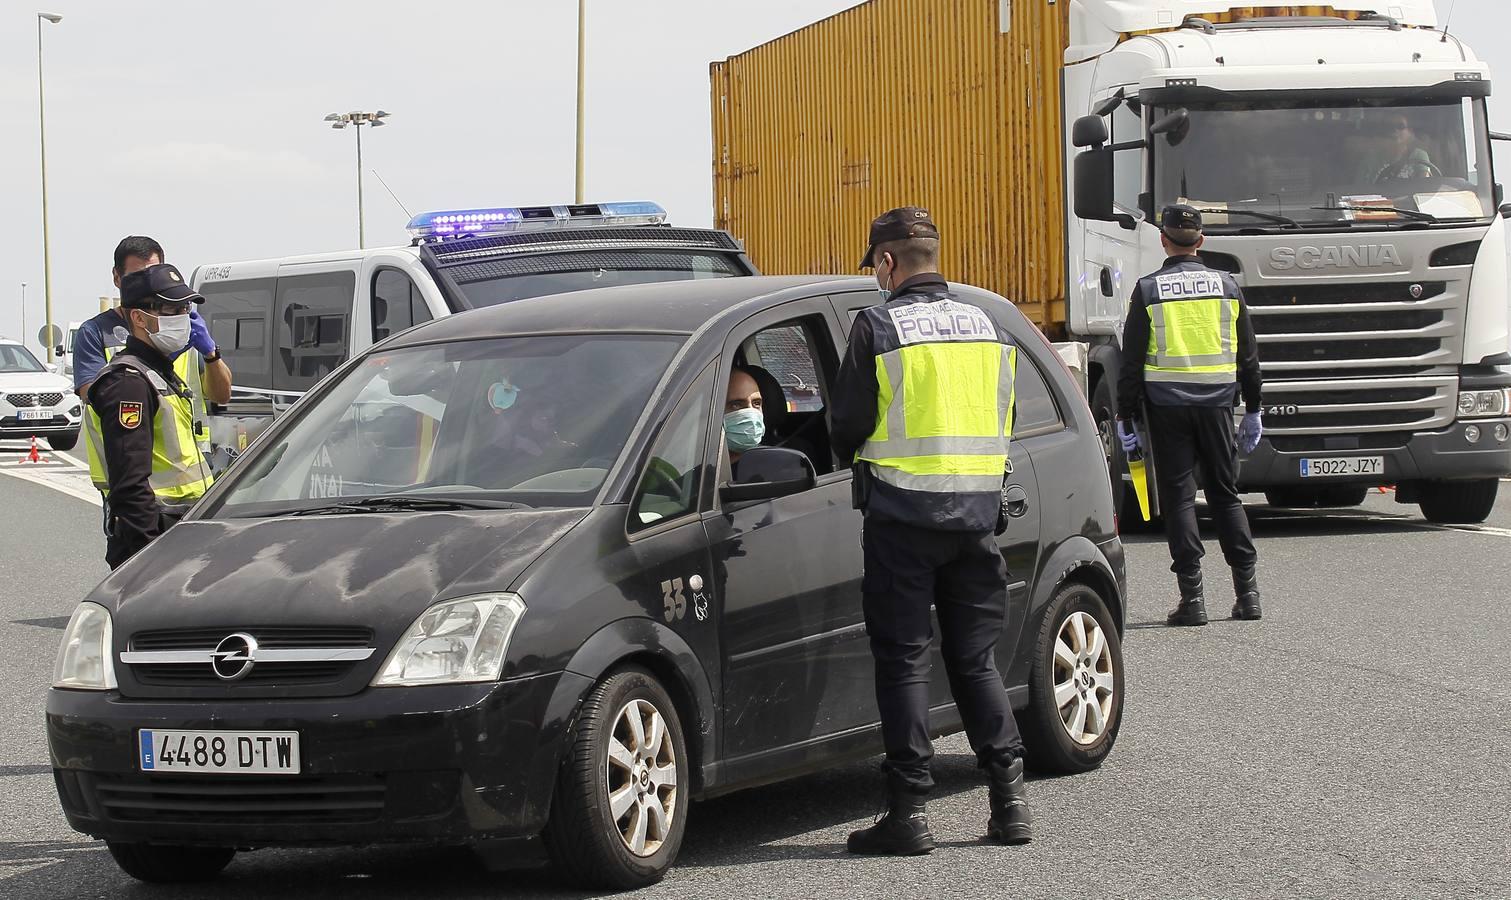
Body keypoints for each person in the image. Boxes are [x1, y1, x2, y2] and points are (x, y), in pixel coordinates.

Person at [830, 207, 1031, 855]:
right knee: (974, 661)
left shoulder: (877, 325)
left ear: (887, 262)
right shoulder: (988, 325)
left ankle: (909, 815)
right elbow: (1001, 418)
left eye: (876, 269)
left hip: (902, 521)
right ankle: (1009, 805)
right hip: (977, 520)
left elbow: (846, 427)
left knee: (904, 660)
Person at [1115, 204, 1265, 626]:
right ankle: (1248, 594)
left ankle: (1192, 599)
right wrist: (1253, 409)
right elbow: (1248, 358)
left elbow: (1131, 363)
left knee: (1180, 500)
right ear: (1201, 241)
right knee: (1225, 494)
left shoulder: (1148, 290)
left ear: (1163, 240)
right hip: (1218, 404)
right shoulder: (1227, 286)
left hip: (1166, 408)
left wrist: (1126, 419)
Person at [88, 264, 215, 569]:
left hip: (181, 528)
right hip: (154, 539)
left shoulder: (159, 372)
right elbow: (129, 487)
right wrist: (151, 561)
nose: (182, 317)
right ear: (139, 318)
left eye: (185, 308)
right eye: (170, 310)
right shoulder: (127, 383)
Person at [1372, 114, 1438, 184]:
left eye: (1400, 126)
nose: (1395, 130)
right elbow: (1364, 188)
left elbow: (1424, 186)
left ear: (1410, 132)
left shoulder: (1419, 155)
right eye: (1389, 127)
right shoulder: (1372, 157)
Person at [724, 366, 765, 470]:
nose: (751, 413)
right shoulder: (697, 470)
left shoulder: (776, 464)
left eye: (756, 403)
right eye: (736, 405)